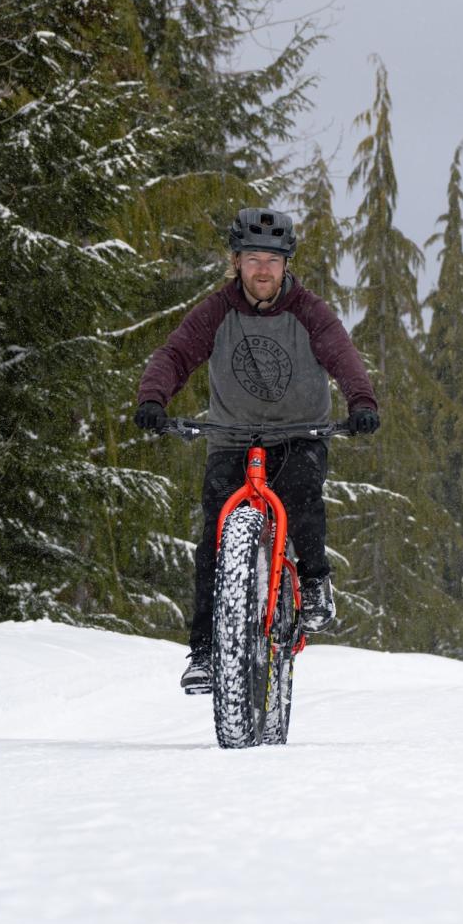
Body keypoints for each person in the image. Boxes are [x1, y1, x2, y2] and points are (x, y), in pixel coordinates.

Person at [133, 207, 380, 694]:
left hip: (299, 434)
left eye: (272, 259)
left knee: (302, 495)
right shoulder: (216, 311)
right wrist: (153, 398)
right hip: (232, 437)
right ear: (236, 262)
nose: (262, 269)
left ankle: (313, 581)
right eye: (252, 259)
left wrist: (362, 403)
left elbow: (342, 355)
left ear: (286, 264)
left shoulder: (309, 311)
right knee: (214, 538)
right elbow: (176, 354)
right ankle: (205, 652)